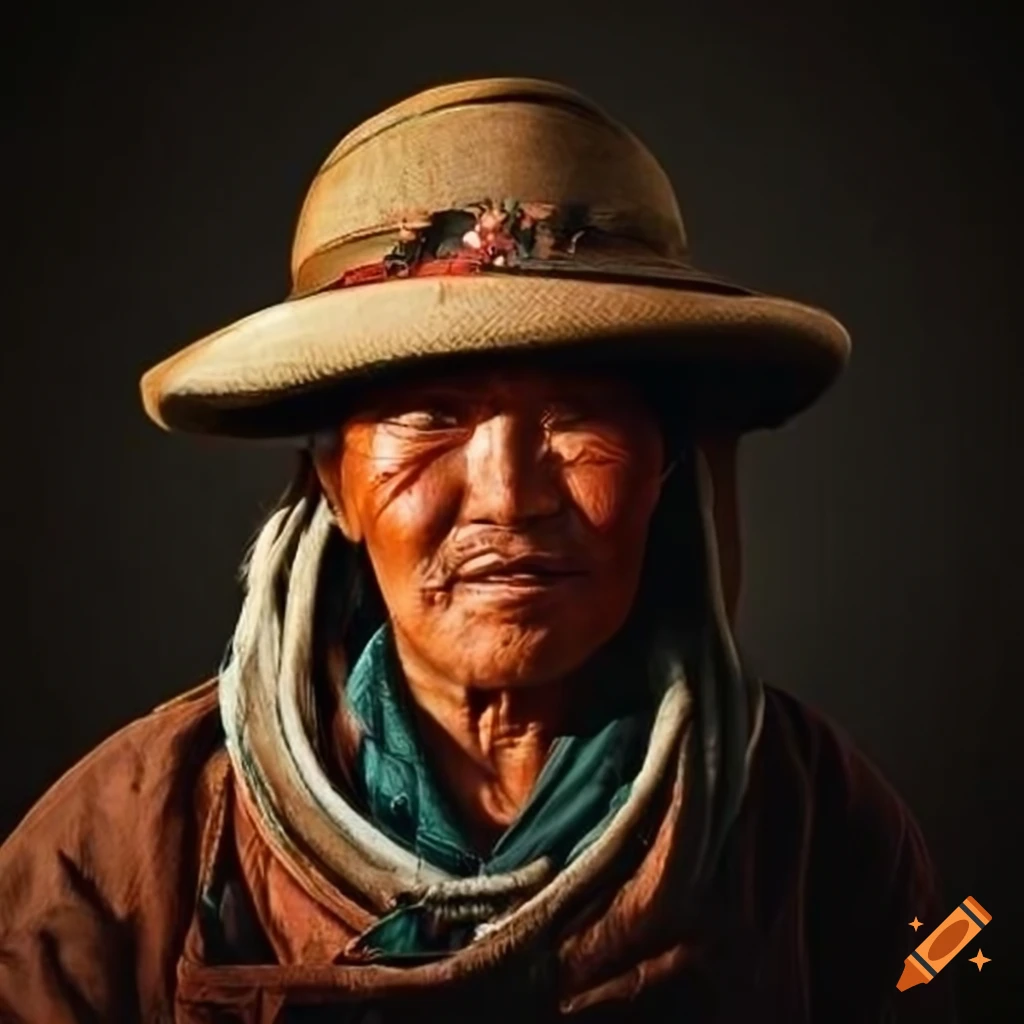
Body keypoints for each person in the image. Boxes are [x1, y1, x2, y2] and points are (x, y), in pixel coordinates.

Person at [0, 78, 955, 1023]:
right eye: (429, 416)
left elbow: (952, 971)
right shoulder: (119, 844)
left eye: (580, 418)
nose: (509, 495)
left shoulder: (818, 812)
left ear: (664, 465)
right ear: (335, 482)